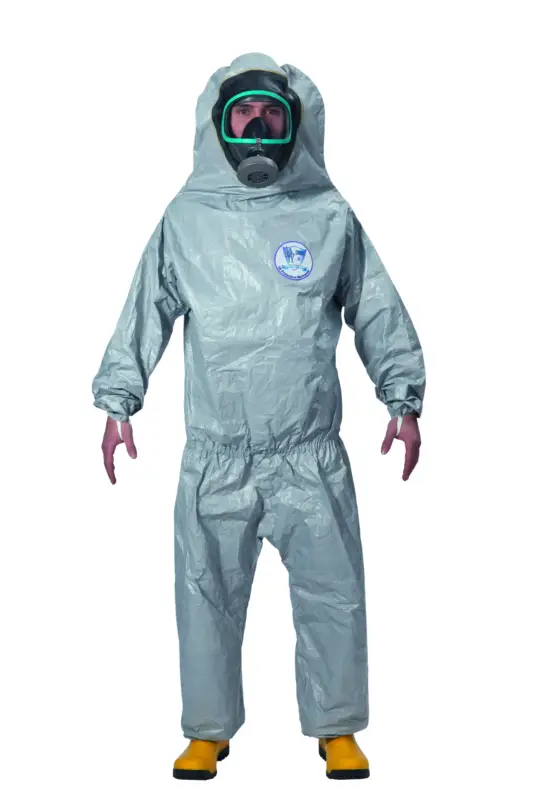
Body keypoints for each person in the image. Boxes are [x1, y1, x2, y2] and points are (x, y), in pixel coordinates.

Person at [92, 52, 425, 781]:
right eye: (243, 113)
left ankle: (336, 727)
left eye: (272, 114)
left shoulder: (327, 216)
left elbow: (374, 306)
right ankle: (208, 730)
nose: (257, 127)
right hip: (216, 455)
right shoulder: (188, 220)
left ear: (295, 126)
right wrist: (119, 400)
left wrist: (401, 396)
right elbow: (146, 307)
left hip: (309, 455)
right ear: (218, 125)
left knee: (333, 596)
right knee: (204, 598)